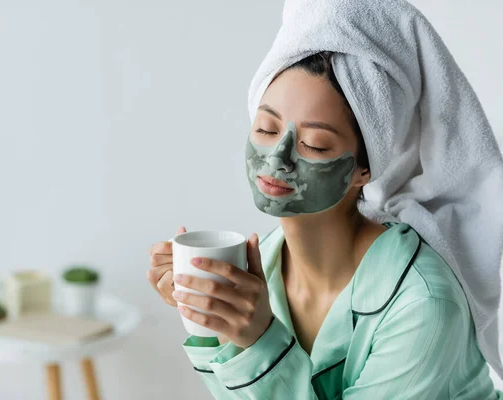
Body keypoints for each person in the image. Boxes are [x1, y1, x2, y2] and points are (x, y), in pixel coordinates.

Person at [148, 1, 503, 398]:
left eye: (314, 144)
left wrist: (259, 341)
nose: (277, 158)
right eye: (266, 128)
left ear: (363, 169)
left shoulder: (423, 303)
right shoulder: (260, 266)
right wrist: (205, 315)